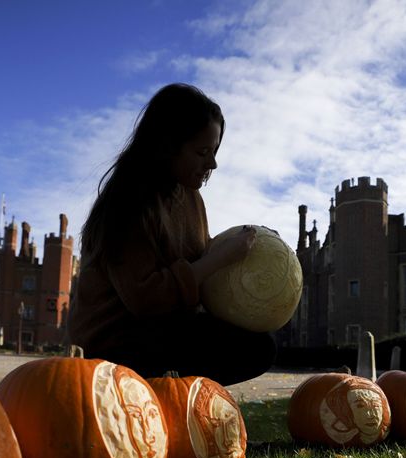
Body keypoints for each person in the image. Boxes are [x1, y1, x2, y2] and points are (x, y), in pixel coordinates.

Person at [68, 83, 276, 386]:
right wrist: (220, 258)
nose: (213, 163)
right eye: (202, 152)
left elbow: (199, 260)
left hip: (164, 328)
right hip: (116, 343)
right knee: (249, 349)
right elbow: (146, 299)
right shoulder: (128, 202)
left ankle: (176, 397)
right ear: (167, 146)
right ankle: (154, 394)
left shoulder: (191, 198)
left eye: (215, 151)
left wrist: (251, 243)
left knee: (260, 345)